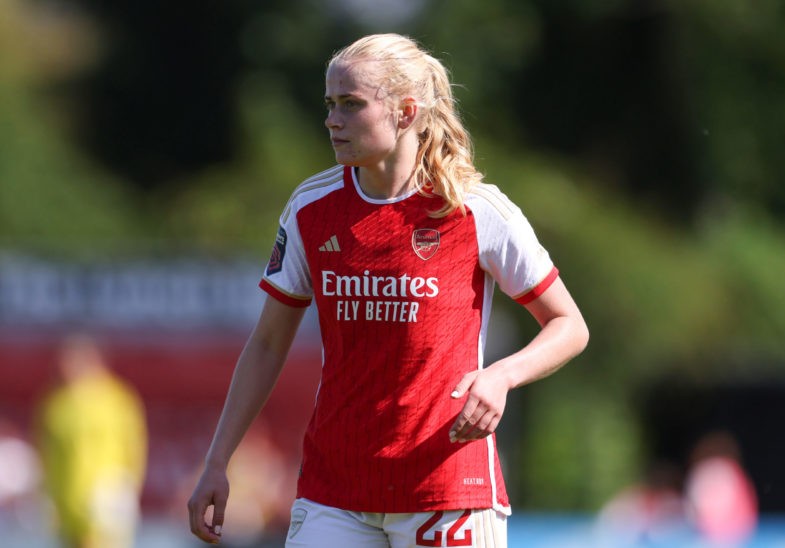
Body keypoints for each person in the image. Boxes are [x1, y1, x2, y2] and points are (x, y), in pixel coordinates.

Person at [188, 33, 589, 547]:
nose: (332, 119)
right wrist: (217, 462)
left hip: (445, 487)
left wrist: (502, 377)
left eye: (351, 104)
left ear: (405, 112)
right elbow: (267, 343)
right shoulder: (312, 207)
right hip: (335, 489)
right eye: (330, 104)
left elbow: (569, 325)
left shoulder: (476, 210)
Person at [35, 334, 148, 548]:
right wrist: (48, 498)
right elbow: (46, 455)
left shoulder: (118, 399)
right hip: (67, 505)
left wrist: (126, 488)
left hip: (104, 501)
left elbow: (134, 448)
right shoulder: (55, 405)